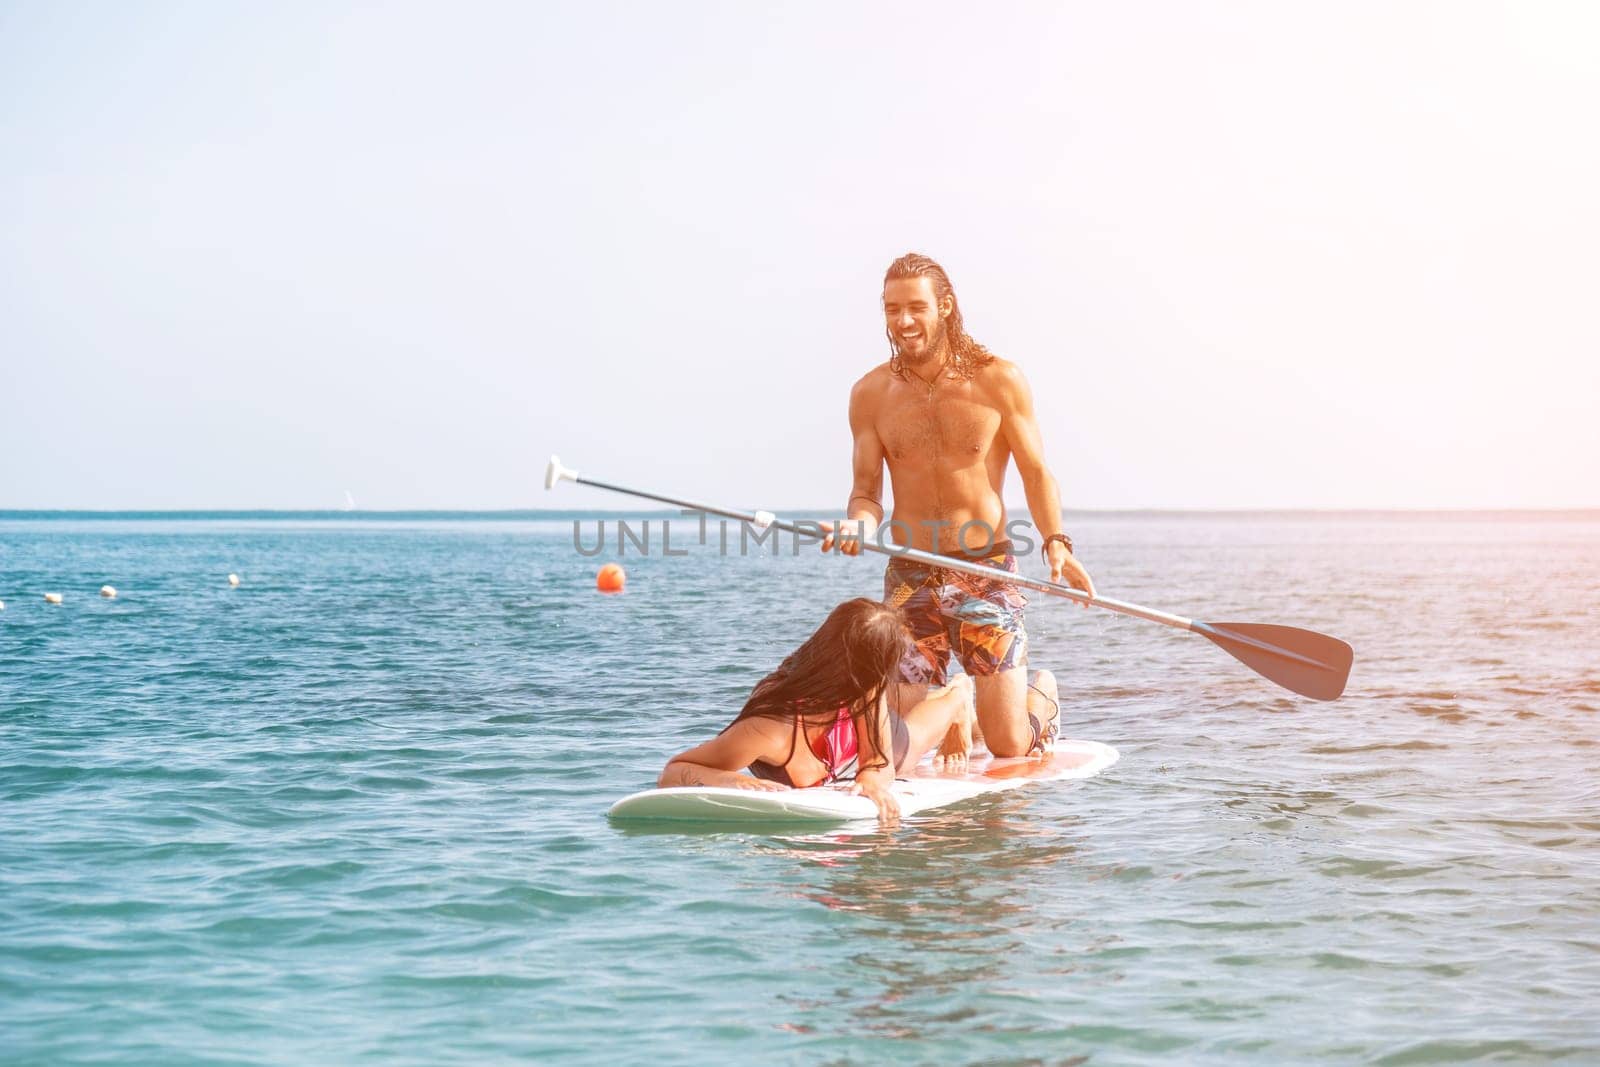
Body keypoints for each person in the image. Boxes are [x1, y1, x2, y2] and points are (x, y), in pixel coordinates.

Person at [819, 252, 1091, 759]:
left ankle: (1042, 697)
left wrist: (1056, 541)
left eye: (916, 307)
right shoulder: (870, 394)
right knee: (895, 743)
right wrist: (857, 524)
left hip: (986, 570)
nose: (903, 322)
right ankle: (954, 703)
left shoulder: (998, 379)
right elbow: (866, 491)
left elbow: (1035, 471)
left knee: (1010, 745)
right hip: (911, 577)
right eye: (891, 309)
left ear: (945, 306)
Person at [659, 598, 975, 825]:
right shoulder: (767, 730)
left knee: (909, 750)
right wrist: (730, 782)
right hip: (832, 736)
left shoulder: (866, 687)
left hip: (860, 737)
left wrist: (873, 781)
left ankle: (958, 695)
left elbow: (879, 764)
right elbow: (674, 771)